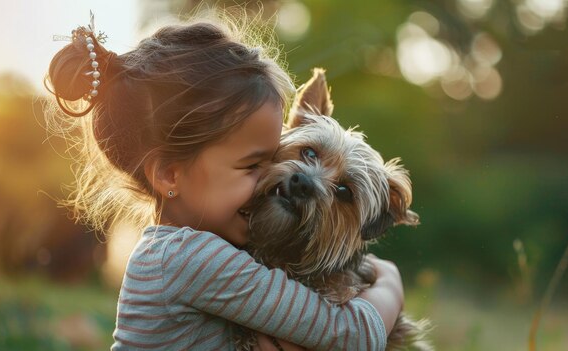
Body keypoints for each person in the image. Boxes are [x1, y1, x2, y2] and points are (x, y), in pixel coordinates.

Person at [44, 10, 404, 351]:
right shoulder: (192, 257)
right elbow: (352, 335)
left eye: (271, 159)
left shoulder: (185, 250)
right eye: (251, 166)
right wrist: (390, 282)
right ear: (170, 174)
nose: (277, 179)